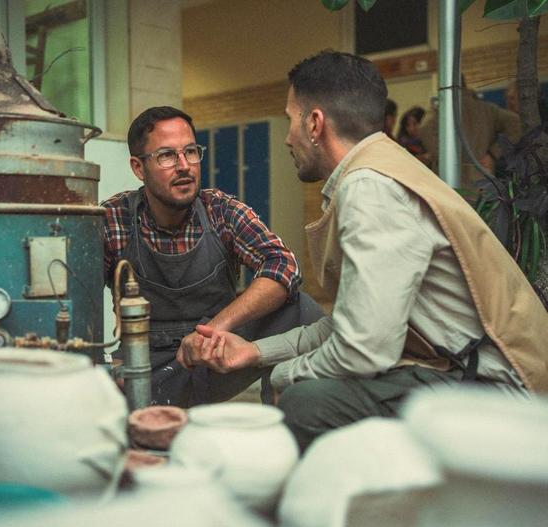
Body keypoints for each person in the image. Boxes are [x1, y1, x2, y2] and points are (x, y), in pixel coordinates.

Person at [192, 51, 548, 452]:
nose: (288, 137)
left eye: (291, 119)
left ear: (314, 124)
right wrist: (256, 352)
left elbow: (363, 350)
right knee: (301, 386)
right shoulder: (384, 169)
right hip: (460, 372)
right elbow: (350, 324)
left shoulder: (371, 189)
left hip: (495, 392)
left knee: (307, 403)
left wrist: (282, 376)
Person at [102, 106, 323, 408]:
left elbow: (284, 266)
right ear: (138, 168)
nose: (184, 166)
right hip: (148, 364)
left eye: (191, 152)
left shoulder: (220, 211)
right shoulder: (113, 219)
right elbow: (75, 298)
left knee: (301, 309)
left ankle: (282, 419)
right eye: (167, 156)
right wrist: (104, 364)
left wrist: (215, 329)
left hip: (215, 355)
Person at [419, 79, 521, 189]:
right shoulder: (488, 109)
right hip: (483, 177)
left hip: (450, 181)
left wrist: (443, 156)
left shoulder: (440, 110)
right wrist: (493, 153)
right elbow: (516, 125)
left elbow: (425, 129)